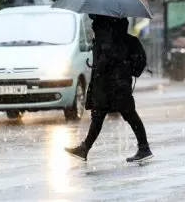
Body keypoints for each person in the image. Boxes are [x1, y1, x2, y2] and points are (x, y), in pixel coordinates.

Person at [64, 15, 153, 163]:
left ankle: (144, 148)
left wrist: (102, 62)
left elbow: (105, 63)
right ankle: (85, 148)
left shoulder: (106, 39)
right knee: (113, 116)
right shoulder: (127, 40)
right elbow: (140, 61)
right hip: (117, 85)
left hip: (109, 85)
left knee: (122, 115)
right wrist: (129, 70)